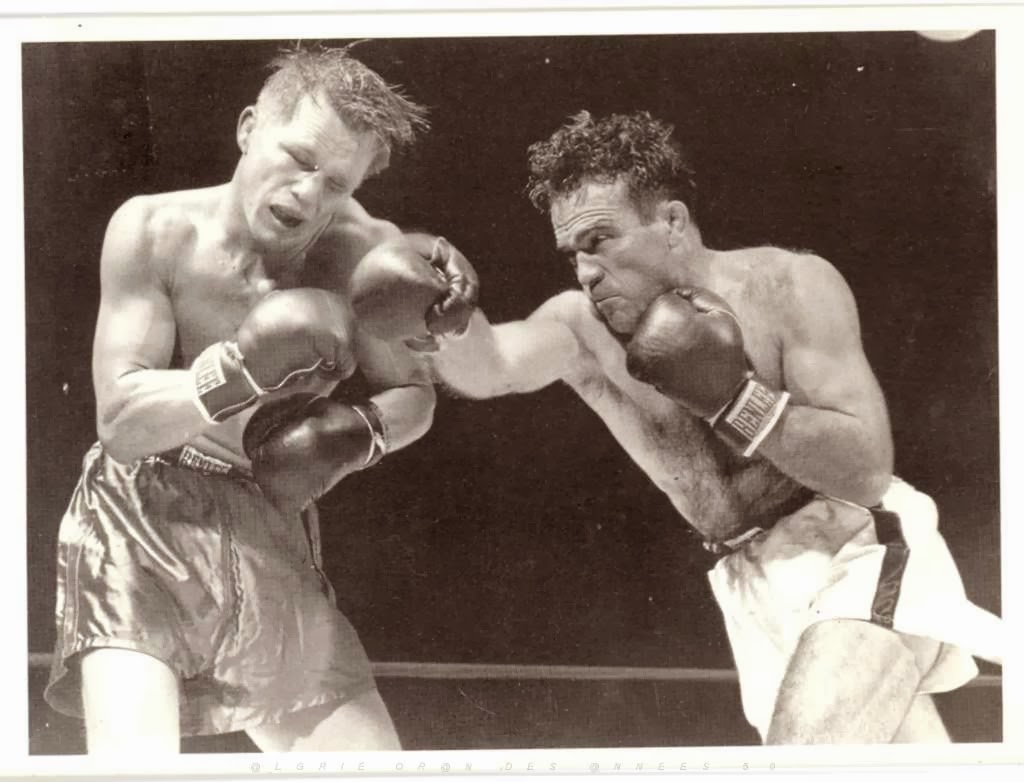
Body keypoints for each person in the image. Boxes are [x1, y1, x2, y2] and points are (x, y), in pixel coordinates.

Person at [429, 110, 1003, 744]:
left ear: (672, 222)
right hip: (750, 580)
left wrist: (733, 400)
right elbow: (490, 370)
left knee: (806, 754)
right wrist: (445, 319)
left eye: (600, 241)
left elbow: (866, 469)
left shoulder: (788, 285)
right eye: (572, 254)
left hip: (856, 546)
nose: (584, 271)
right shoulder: (579, 327)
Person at [43, 45, 478, 754]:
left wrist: (361, 432)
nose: (309, 194)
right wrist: (242, 372)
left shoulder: (362, 255)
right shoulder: (155, 230)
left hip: (267, 519)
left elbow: (414, 398)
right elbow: (121, 421)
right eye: (299, 158)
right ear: (249, 128)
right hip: (138, 514)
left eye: (337, 182)